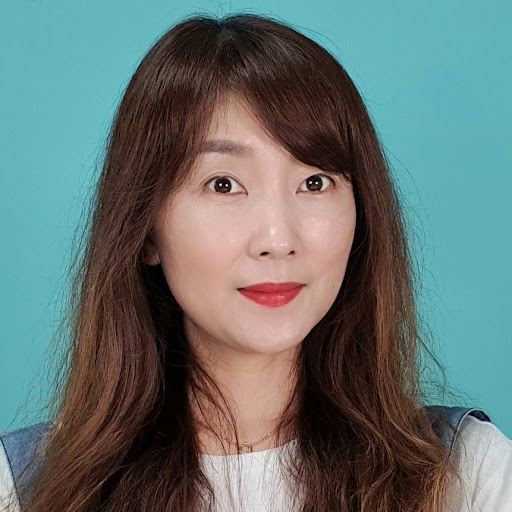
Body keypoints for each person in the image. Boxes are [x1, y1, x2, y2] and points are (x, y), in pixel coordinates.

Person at [1, 11, 511, 512]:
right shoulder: (23, 488)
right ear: (145, 230)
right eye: (223, 184)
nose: (277, 239)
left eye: (314, 182)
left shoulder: (467, 474)